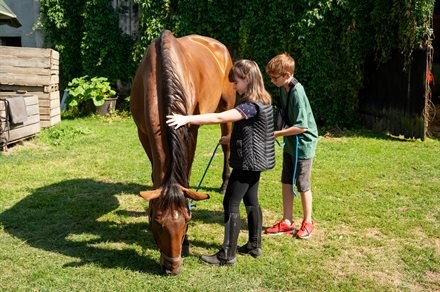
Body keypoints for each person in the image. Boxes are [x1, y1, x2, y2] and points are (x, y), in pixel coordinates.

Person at [167, 59, 275, 265]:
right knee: (251, 201)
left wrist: (186, 119)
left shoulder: (250, 106)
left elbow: (219, 118)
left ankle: (227, 254)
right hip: (258, 161)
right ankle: (254, 244)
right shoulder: (264, 101)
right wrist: (231, 138)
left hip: (247, 162)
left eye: (237, 81)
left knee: (230, 202)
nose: (234, 85)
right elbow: (255, 131)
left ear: (247, 79)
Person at [264, 53, 318, 239]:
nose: (271, 80)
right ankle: (287, 221)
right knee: (286, 180)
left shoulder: (297, 91)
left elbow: (302, 126)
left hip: (303, 144)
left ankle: (308, 222)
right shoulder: (283, 88)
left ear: (287, 75)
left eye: (274, 77)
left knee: (302, 184)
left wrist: (277, 134)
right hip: (290, 142)